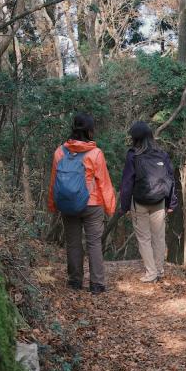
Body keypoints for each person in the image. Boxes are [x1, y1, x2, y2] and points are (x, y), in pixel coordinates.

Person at [48, 113, 116, 294]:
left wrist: (52, 204)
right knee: (94, 243)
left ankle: (75, 281)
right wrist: (110, 207)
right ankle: (97, 284)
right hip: (92, 204)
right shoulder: (95, 153)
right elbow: (104, 182)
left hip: (68, 204)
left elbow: (54, 181)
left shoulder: (59, 152)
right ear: (90, 131)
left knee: (73, 243)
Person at [118, 121, 178, 282]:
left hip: (139, 203)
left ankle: (151, 273)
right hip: (159, 201)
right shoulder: (162, 154)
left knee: (144, 238)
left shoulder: (133, 155)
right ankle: (159, 270)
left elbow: (127, 182)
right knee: (159, 237)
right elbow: (170, 179)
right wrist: (171, 203)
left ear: (135, 138)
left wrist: (124, 206)